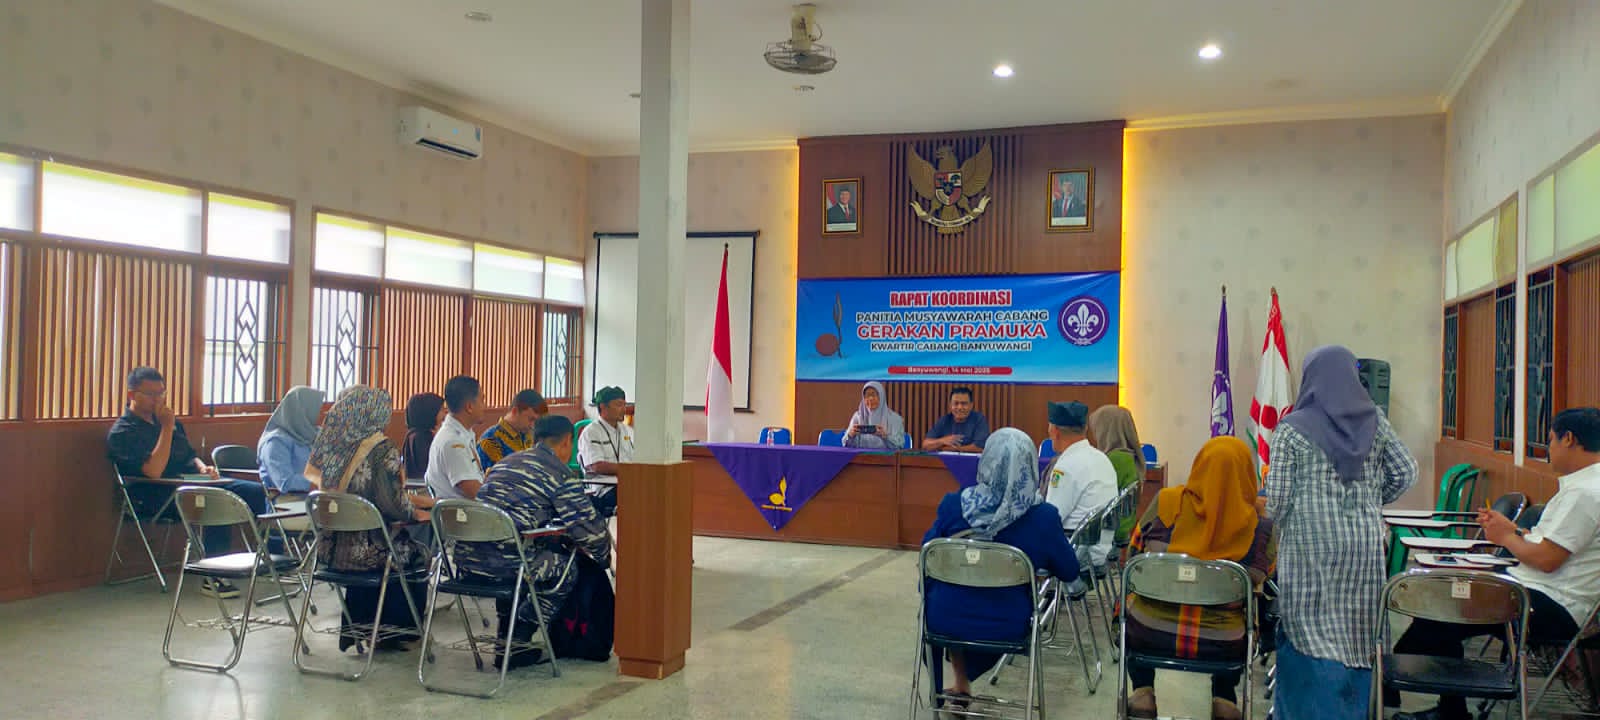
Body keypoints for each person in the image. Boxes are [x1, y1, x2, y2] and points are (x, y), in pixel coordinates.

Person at [1385, 407, 1600, 720]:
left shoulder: (1586, 493)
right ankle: (1441, 705)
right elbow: (1549, 544)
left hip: (1549, 606)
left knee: (1441, 613)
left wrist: (1506, 537)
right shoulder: (1583, 487)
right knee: (1441, 607)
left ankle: (1409, 691)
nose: (1549, 449)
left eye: (1551, 440)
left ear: (1569, 439)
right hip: (1532, 591)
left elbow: (1548, 560)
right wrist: (1514, 531)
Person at [1266, 345, 1417, 720]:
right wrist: (1371, 499)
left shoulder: (1292, 429)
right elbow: (1406, 472)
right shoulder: (1376, 421)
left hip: (1310, 549)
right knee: (1357, 632)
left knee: (1308, 630)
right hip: (1363, 547)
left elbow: (1278, 500)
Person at [922, 428, 1079, 710]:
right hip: (1008, 624)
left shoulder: (954, 506)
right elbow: (1069, 570)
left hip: (944, 619)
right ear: (1030, 465)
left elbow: (926, 558)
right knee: (980, 598)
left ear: (987, 461)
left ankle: (958, 685)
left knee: (957, 593)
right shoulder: (1043, 518)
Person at [1123, 436, 1276, 720]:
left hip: (1148, 632)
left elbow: (1134, 558)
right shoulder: (1260, 528)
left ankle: (1143, 691)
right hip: (1223, 644)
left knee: (1133, 601)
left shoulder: (1165, 503)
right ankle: (1224, 698)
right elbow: (1261, 577)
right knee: (1242, 611)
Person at [457, 414, 614, 668]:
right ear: (567, 442)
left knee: (518, 554)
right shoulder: (559, 474)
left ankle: (504, 636)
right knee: (566, 569)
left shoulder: (504, 464)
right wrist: (603, 558)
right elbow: (590, 532)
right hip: (510, 566)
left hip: (468, 563)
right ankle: (521, 635)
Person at [107, 367, 270, 599]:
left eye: (161, 393)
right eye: (151, 394)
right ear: (132, 395)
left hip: (192, 484)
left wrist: (203, 468)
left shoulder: (172, 423)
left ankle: (271, 558)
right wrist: (166, 427)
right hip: (155, 495)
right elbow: (154, 471)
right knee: (216, 501)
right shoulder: (123, 432)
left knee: (256, 492)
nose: (158, 399)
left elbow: (189, 455)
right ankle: (213, 576)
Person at [308, 385, 436, 652]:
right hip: (370, 553)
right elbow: (392, 503)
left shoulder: (335, 447)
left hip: (331, 550)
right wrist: (416, 513)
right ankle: (396, 632)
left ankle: (359, 628)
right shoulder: (381, 448)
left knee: (388, 544)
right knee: (415, 552)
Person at [1043, 401, 1118, 566]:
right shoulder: (1101, 458)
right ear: (1085, 429)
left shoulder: (1065, 467)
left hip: (1075, 550)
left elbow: (1051, 518)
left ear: (1055, 432)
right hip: (1101, 547)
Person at [1087, 405, 1143, 544]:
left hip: (1108, 535)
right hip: (1121, 531)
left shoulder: (1114, 460)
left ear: (1107, 430)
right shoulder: (1127, 456)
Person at [426, 376, 487, 500]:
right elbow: (475, 493)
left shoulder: (462, 434)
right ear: (469, 407)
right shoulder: (453, 442)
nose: (484, 406)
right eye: (482, 400)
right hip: (463, 511)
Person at [257, 385, 325, 495]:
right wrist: (321, 483)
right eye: (317, 409)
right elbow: (286, 482)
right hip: (288, 501)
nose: (321, 414)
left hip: (320, 497)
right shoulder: (275, 442)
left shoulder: (316, 433)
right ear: (302, 411)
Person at [578, 386, 634, 517]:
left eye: (625, 405)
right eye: (619, 405)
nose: (624, 409)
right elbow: (595, 466)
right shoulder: (591, 432)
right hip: (603, 488)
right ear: (603, 407)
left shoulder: (627, 431)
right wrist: (630, 470)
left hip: (628, 483)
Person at [478, 389, 547, 469]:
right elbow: (497, 475)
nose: (532, 425)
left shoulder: (529, 435)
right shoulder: (490, 442)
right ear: (515, 411)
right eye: (531, 419)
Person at [922, 387, 990, 453]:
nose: (959, 407)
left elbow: (980, 447)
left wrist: (947, 448)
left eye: (964, 404)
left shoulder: (978, 419)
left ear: (971, 405)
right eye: (956, 403)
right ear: (950, 405)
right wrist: (942, 441)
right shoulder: (945, 420)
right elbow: (926, 445)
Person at [843, 381, 905, 450]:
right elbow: (846, 445)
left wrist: (885, 437)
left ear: (881, 396)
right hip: (860, 456)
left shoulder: (895, 419)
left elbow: (899, 447)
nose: (870, 398)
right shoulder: (858, 416)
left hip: (886, 456)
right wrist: (850, 436)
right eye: (867, 395)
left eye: (874, 394)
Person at [401, 392, 445, 481]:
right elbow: (431, 467)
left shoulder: (413, 434)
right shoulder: (421, 438)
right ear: (430, 412)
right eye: (441, 410)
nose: (445, 414)